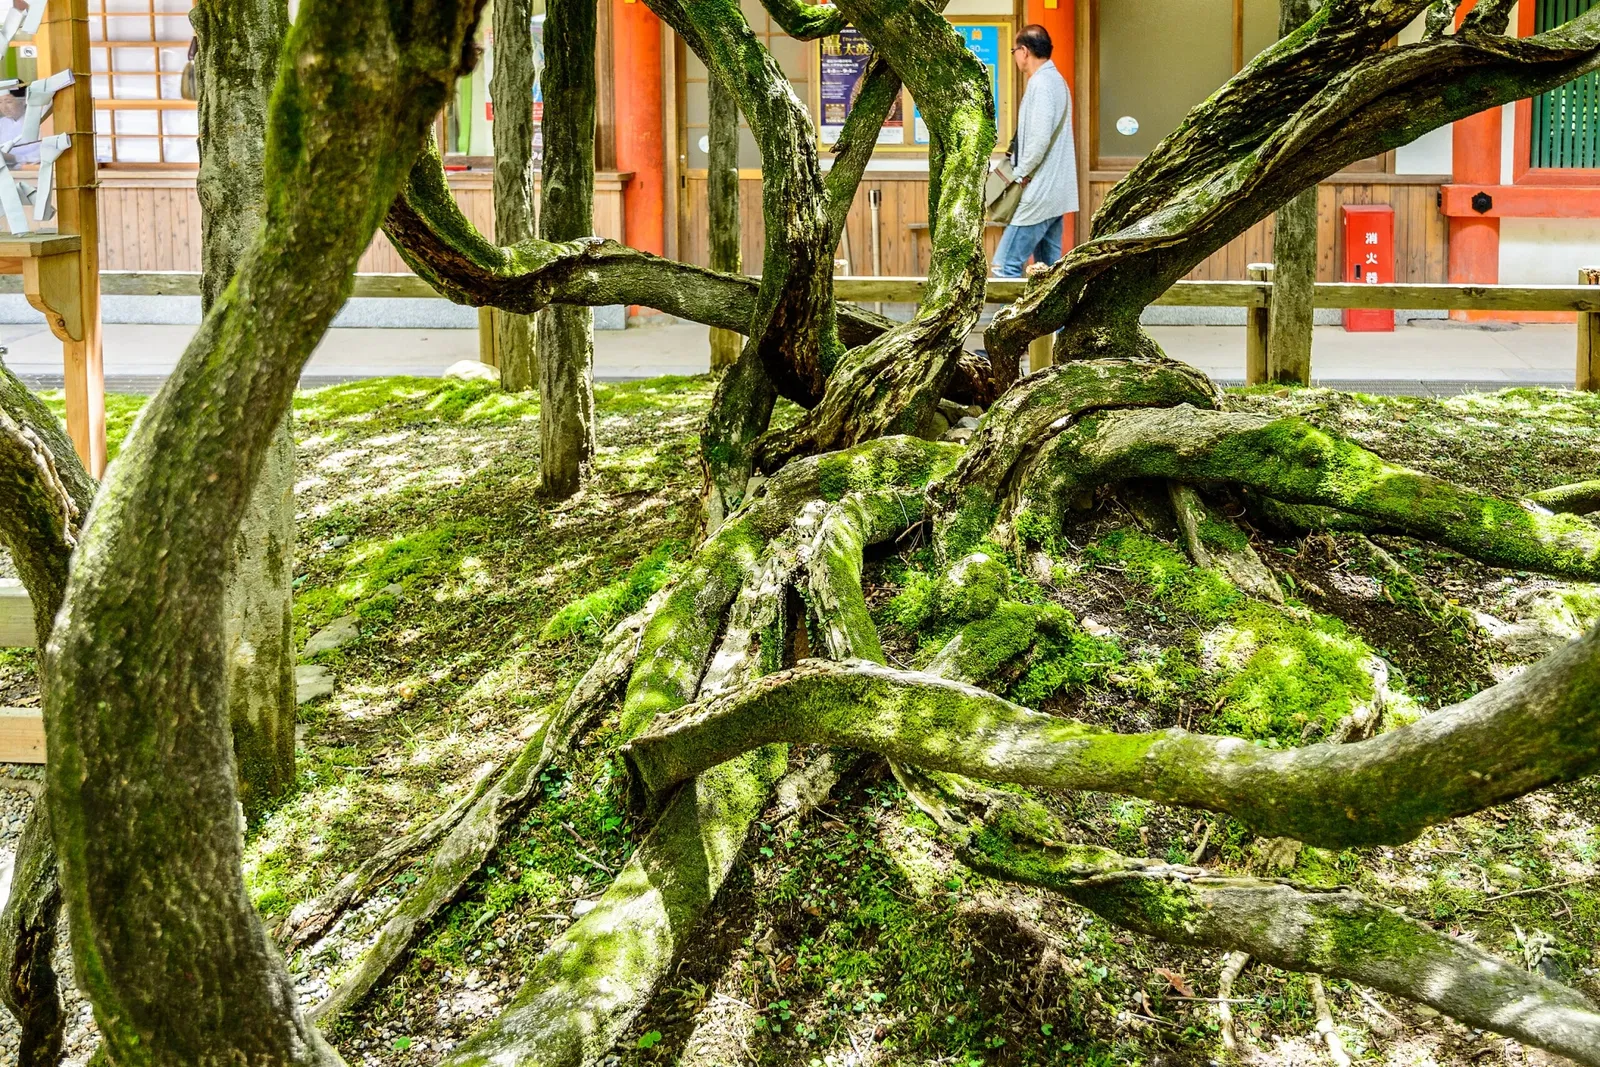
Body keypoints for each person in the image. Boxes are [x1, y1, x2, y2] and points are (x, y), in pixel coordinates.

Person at [993, 24, 1077, 278]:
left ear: (1024, 51)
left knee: (1005, 265)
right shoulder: (1057, 81)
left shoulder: (1040, 84)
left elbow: (1038, 142)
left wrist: (1019, 175)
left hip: (1038, 191)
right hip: (1056, 192)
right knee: (1050, 273)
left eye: (1014, 51)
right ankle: (1055, 320)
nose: (1015, 56)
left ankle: (1007, 319)